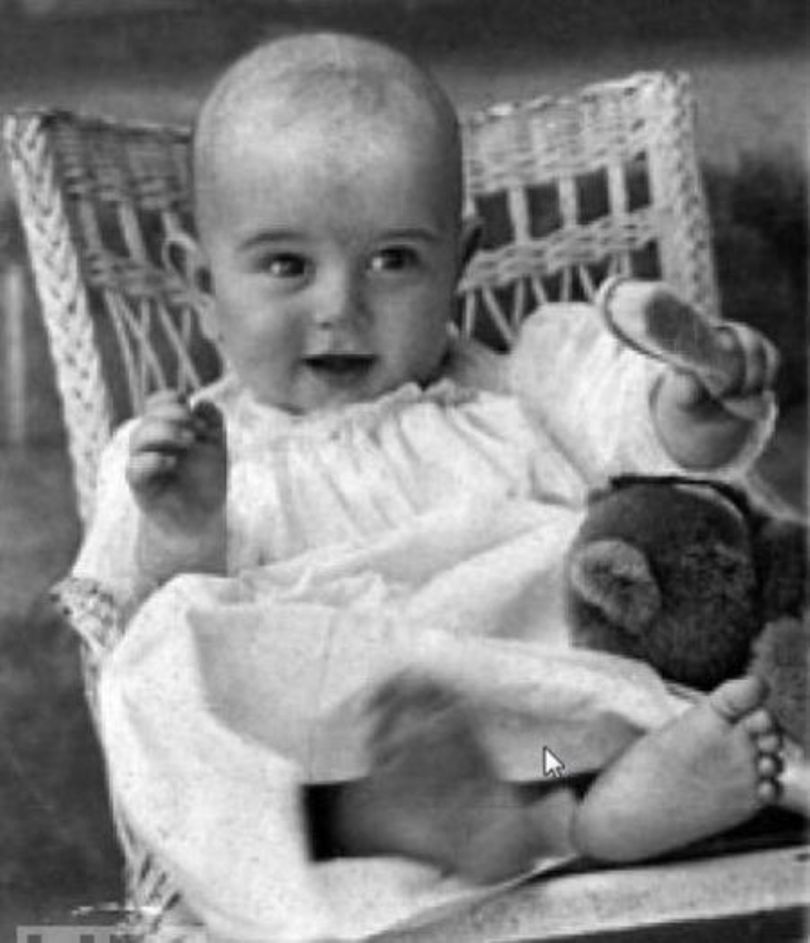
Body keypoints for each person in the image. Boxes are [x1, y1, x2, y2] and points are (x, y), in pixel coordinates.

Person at [74, 31, 785, 941]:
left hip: (537, 736)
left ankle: (591, 806)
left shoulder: (520, 389)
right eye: (287, 266)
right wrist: (183, 526)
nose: (340, 307)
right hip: (343, 768)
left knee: (577, 694)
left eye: (394, 261)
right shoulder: (178, 452)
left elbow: (636, 435)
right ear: (201, 282)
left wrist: (692, 406)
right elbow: (135, 626)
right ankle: (556, 821)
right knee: (160, 665)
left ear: (460, 259)